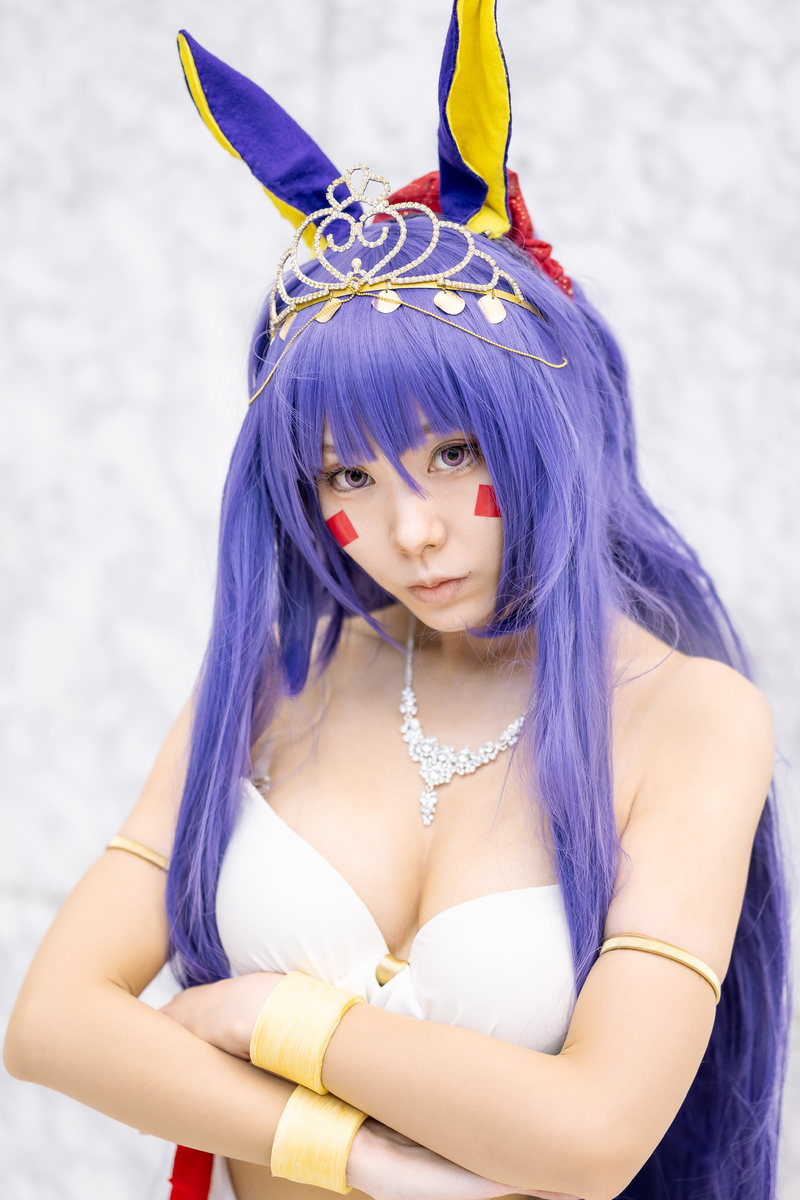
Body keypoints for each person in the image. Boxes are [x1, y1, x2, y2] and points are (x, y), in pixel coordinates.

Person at [4, 4, 789, 1199]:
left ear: (542, 429)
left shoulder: (689, 718)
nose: (409, 531)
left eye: (452, 453)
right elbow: (53, 1023)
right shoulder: (279, 679)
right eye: (348, 477)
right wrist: (368, 1156)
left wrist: (269, 1016)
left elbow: (593, 1137)